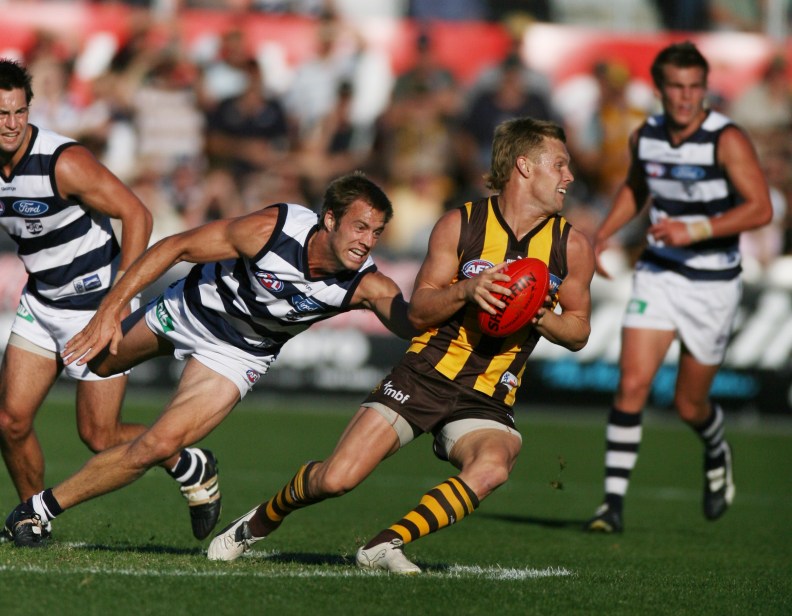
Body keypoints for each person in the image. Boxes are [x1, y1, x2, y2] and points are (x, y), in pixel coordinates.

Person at [206, 117, 594, 573]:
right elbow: (419, 312)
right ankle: (257, 523)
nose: (569, 176)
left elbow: (580, 331)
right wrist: (467, 292)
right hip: (425, 374)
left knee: (493, 467)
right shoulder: (460, 225)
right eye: (559, 164)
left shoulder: (572, 247)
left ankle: (385, 545)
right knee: (336, 479)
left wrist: (538, 313)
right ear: (524, 166)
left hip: (489, 394)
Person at [3, 172, 415, 547]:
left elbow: (413, 320)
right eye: (360, 227)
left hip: (237, 355)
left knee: (155, 443)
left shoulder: (367, 284)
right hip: (186, 310)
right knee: (96, 414)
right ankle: (190, 465)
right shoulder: (271, 231)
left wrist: (463, 297)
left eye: (377, 232)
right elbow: (175, 247)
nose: (367, 241)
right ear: (329, 220)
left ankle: (37, 510)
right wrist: (111, 309)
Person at [0, 58, 223, 543]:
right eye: (2, 114)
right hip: (41, 302)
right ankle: (32, 520)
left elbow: (136, 213)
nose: (12, 124)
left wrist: (118, 301)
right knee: (10, 422)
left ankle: (188, 459)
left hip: (94, 306)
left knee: (98, 436)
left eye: (19, 112)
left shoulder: (64, 161)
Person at [583, 42, 773, 534]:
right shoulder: (645, 136)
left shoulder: (725, 139)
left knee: (690, 404)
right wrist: (604, 232)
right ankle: (612, 506)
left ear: (704, 90)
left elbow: (760, 208)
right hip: (660, 272)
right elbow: (637, 187)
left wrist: (697, 229)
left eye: (694, 88)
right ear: (660, 89)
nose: (686, 98)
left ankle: (715, 446)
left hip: (712, 283)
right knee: (631, 384)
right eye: (676, 87)